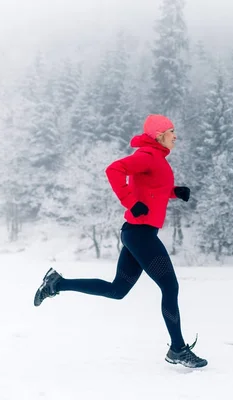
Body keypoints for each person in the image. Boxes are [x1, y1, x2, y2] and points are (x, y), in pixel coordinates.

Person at [33, 114, 207, 369]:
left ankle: (57, 283)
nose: (175, 136)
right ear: (159, 135)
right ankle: (177, 348)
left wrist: (174, 192)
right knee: (170, 288)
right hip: (140, 234)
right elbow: (114, 169)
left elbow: (152, 188)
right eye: (171, 131)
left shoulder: (156, 159)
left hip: (138, 233)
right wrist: (129, 202)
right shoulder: (147, 156)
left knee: (117, 290)